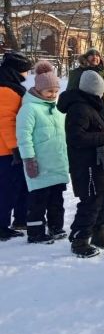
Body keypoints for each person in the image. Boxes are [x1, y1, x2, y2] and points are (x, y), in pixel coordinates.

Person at [58, 70, 104, 258]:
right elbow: (75, 137)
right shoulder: (79, 108)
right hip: (87, 165)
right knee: (90, 202)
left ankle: (99, 234)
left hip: (96, 164)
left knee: (100, 199)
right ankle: (80, 239)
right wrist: (102, 137)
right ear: (94, 90)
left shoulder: (91, 105)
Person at [15, 61, 69, 244]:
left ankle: (56, 227)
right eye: (49, 91)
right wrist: (29, 159)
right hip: (40, 164)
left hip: (57, 163)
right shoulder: (29, 109)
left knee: (57, 200)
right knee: (38, 201)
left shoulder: (57, 110)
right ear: (39, 90)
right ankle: (36, 232)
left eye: (55, 91)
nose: (53, 95)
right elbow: (24, 136)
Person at [67, 48, 104, 167]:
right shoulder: (79, 72)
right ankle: (100, 163)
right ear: (86, 58)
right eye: (92, 56)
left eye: (97, 56)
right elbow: (71, 92)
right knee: (98, 138)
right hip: (91, 112)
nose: (95, 58)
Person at [0, 51, 33, 239]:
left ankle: (16, 220)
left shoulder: (9, 87)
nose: (27, 74)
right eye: (26, 71)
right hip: (6, 151)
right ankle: (1, 225)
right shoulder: (6, 90)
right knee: (6, 189)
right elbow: (6, 122)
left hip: (8, 149)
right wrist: (16, 149)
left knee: (15, 187)